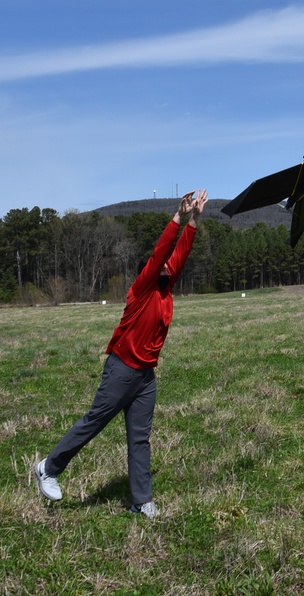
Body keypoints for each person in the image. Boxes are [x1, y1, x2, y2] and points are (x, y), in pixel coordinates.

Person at [34, 189, 208, 517]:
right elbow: (161, 253)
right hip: (122, 369)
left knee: (140, 440)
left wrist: (195, 219)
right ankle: (49, 467)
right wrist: (177, 217)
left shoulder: (166, 291)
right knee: (95, 421)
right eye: (163, 267)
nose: (169, 267)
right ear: (150, 271)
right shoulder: (142, 290)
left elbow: (178, 254)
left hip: (145, 377)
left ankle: (141, 501)